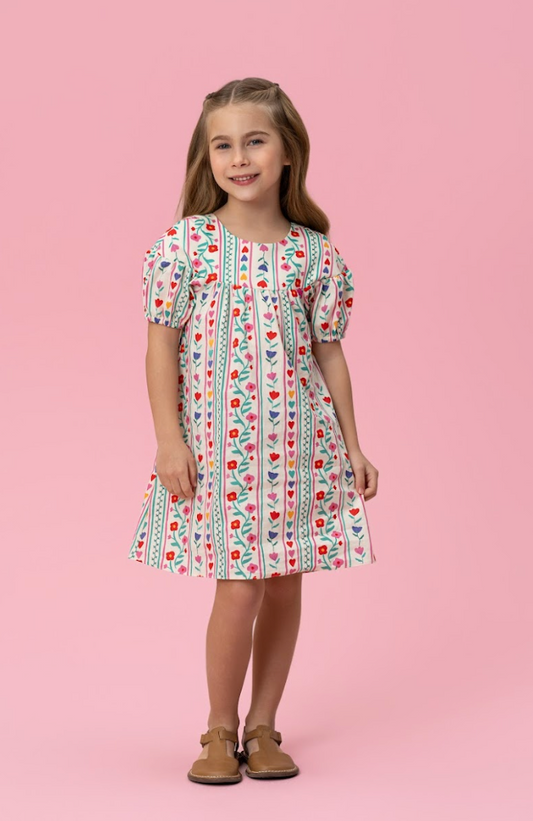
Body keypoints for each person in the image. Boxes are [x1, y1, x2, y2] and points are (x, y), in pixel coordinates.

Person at [128, 77, 379, 784]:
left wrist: (353, 445)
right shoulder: (186, 246)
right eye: (223, 145)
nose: (239, 158)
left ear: (288, 151)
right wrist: (169, 438)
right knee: (239, 586)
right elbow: (160, 347)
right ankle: (219, 727)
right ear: (205, 157)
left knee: (286, 583)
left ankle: (264, 725)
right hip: (221, 452)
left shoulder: (314, 254)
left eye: (255, 141)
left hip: (300, 448)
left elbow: (329, 352)